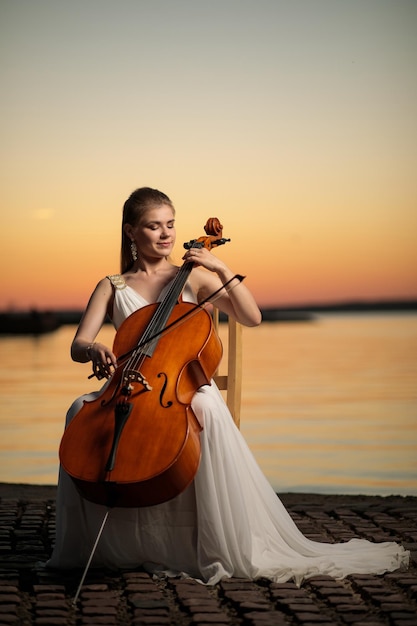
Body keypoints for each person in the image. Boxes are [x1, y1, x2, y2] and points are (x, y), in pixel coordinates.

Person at [46, 186, 409, 585]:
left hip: (179, 389)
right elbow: (78, 344)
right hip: (129, 383)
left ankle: (207, 538)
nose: (166, 235)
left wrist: (219, 266)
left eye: (170, 225)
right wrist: (94, 348)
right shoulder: (112, 285)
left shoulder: (197, 278)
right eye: (153, 226)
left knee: (205, 409)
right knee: (79, 409)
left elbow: (252, 317)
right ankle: (94, 544)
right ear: (131, 232)